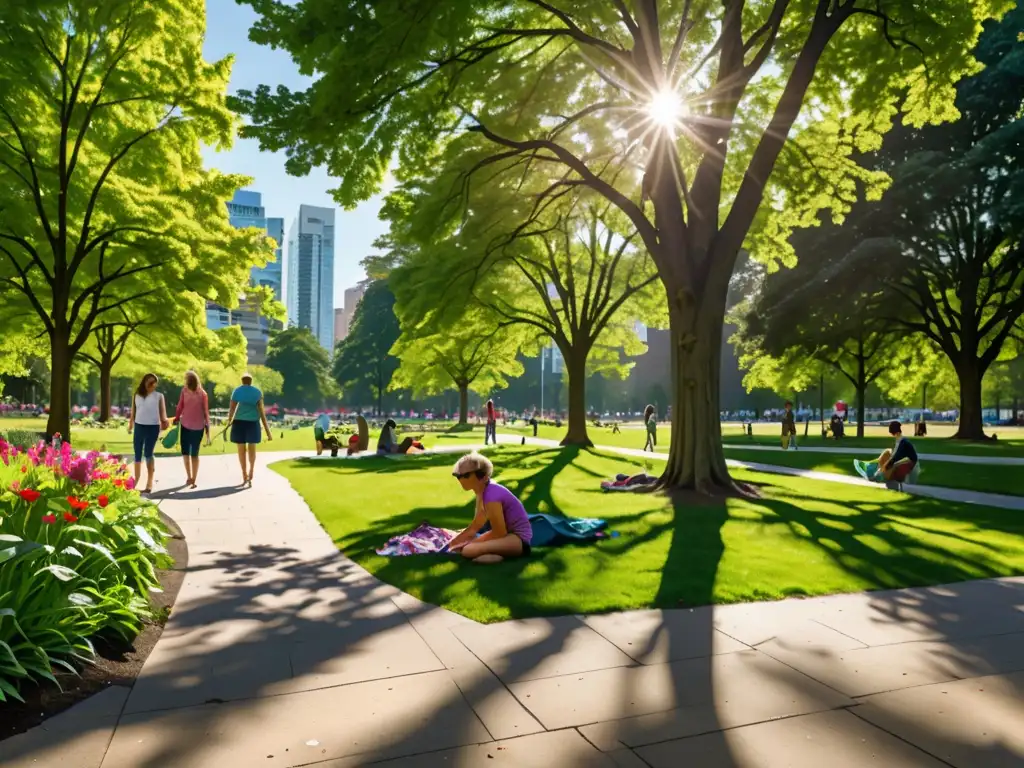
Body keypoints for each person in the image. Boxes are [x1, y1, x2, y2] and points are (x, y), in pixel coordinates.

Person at [447, 452, 533, 564]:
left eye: (466, 475)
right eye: (458, 476)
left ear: (482, 477)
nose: (460, 479)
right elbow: (477, 524)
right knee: (466, 542)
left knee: (468, 550)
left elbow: (499, 532)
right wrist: (455, 541)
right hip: (506, 536)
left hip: (518, 540)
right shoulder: (481, 491)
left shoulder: (491, 495)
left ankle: (500, 556)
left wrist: (471, 543)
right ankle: (495, 553)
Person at [227, 372, 273, 486]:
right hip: (253, 423)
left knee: (241, 449)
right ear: (251, 382)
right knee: (252, 448)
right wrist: (268, 432)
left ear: (242, 381)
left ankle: (244, 473)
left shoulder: (237, 391)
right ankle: (251, 469)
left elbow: (232, 409)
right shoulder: (257, 393)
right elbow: (262, 413)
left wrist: (229, 423)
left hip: (238, 423)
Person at [128, 373, 168, 493]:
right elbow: (133, 411)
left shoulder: (159, 396)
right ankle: (135, 481)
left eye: (154, 383)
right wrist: (130, 424)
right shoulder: (137, 395)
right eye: (149, 382)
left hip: (153, 427)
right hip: (139, 426)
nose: (152, 385)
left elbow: (163, 414)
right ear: (144, 382)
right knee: (137, 453)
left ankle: (149, 484)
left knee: (148, 453)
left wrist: (165, 421)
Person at [174, 370, 210, 489]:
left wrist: (177, 417)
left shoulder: (188, 392)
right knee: (193, 453)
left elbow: (180, 406)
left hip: (189, 426)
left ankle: (191, 477)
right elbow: (205, 412)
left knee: (187, 453)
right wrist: (207, 427)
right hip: (195, 426)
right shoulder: (202, 393)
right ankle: (192, 477)